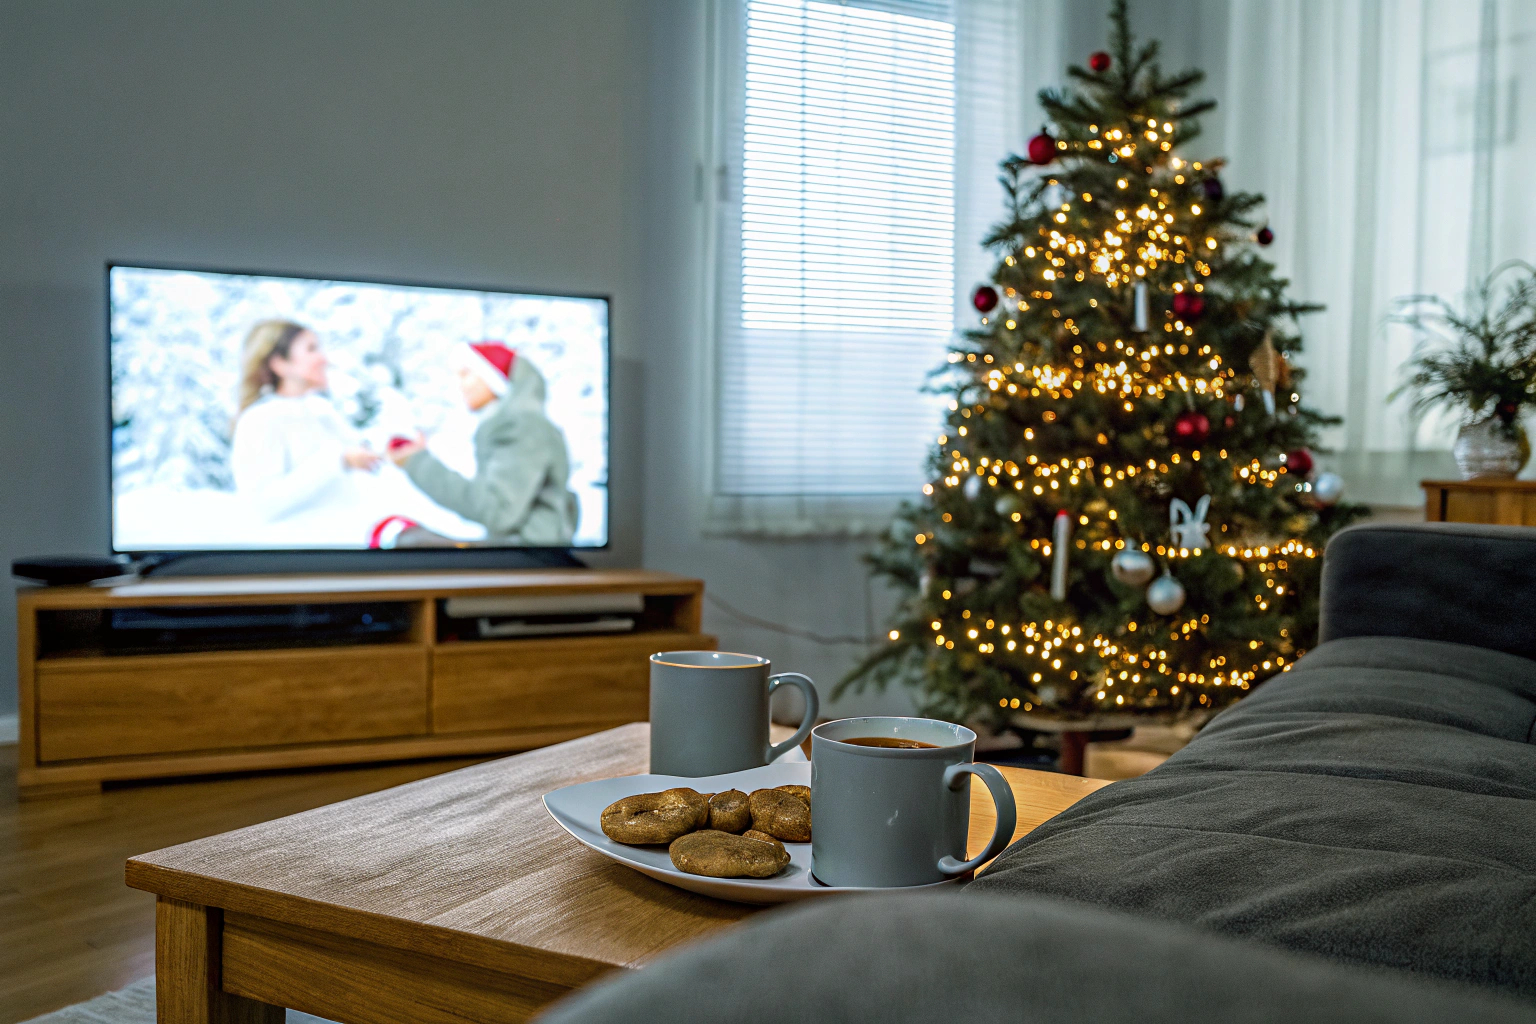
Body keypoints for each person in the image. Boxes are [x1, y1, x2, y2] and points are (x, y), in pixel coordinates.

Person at [389, 341, 578, 545]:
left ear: (491, 378)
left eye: (466, 374)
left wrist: (417, 463)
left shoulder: (521, 425)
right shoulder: (518, 422)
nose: (460, 384)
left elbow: (498, 510)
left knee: (408, 542)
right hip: (528, 552)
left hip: (531, 560)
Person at [230, 319, 381, 525]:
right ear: (280, 364)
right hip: (302, 552)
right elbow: (262, 506)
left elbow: (354, 461)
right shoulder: (260, 420)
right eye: (312, 349)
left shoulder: (321, 410)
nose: (323, 358)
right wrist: (339, 460)